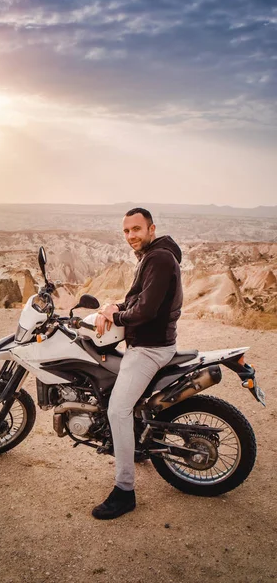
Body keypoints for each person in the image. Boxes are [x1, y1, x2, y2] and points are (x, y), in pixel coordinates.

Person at [92, 207, 183, 520]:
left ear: (151, 228)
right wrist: (114, 306)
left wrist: (115, 316)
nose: (131, 236)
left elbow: (144, 310)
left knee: (117, 409)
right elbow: (138, 298)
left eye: (136, 229)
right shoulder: (154, 256)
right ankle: (137, 445)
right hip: (149, 343)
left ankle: (124, 491)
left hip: (149, 348)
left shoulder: (158, 258)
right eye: (126, 231)